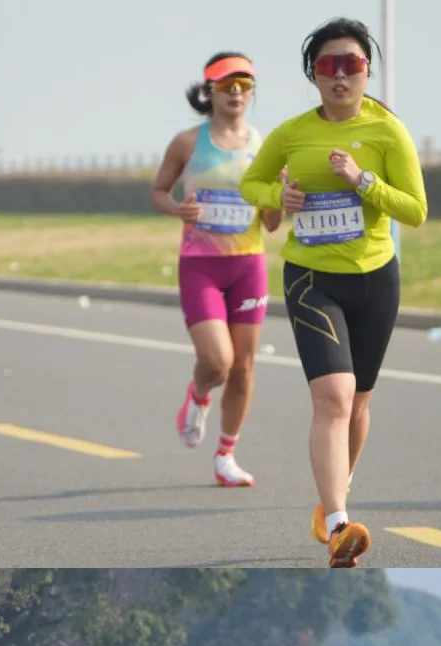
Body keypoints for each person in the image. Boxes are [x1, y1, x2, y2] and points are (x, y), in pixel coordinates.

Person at [241, 18, 428, 566]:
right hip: (311, 279)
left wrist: (362, 182)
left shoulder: (388, 132)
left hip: (375, 279)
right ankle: (342, 524)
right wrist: (279, 194)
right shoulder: (293, 133)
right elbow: (251, 183)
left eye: (353, 65)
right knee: (334, 397)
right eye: (329, 67)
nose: (341, 77)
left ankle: (331, 501)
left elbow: (416, 211)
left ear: (368, 71)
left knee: (360, 402)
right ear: (313, 75)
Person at [152, 52, 283, 487]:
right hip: (201, 266)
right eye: (228, 86)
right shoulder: (188, 143)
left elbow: (270, 221)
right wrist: (178, 209)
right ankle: (199, 394)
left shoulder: (263, 147)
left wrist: (280, 195)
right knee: (217, 361)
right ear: (210, 91)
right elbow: (158, 191)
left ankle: (226, 454)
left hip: (248, 265)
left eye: (245, 86)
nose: (237, 94)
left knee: (243, 366)